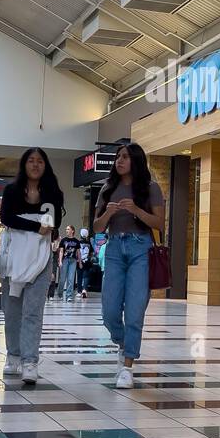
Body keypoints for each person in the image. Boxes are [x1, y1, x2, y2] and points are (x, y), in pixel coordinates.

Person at [93, 143, 165, 389]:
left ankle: (127, 366)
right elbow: (96, 227)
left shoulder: (149, 188)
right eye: (117, 157)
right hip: (113, 249)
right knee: (109, 312)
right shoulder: (107, 188)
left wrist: (136, 210)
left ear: (136, 160)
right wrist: (108, 215)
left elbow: (159, 223)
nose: (119, 161)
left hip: (140, 248)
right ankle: (123, 343)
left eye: (125, 157)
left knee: (134, 312)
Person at [0, 147, 64, 386]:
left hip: (41, 257)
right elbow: (6, 218)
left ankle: (30, 361)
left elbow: (53, 222)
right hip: (14, 258)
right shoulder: (12, 191)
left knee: (33, 311)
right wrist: (35, 226)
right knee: (12, 310)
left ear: (45, 165)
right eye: (31, 161)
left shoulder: (53, 193)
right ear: (24, 164)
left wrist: (30, 224)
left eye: (40, 161)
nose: (35, 165)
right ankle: (13, 354)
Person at [57, 225, 79, 302]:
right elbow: (61, 251)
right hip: (65, 260)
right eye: (66, 229)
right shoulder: (63, 240)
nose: (66, 230)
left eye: (68, 229)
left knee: (71, 279)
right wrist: (60, 261)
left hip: (73, 261)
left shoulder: (76, 241)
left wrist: (79, 261)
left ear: (72, 231)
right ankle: (59, 293)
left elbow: (78, 252)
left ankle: (69, 296)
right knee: (62, 279)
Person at [75, 227, 94, 298]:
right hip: (87, 262)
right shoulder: (89, 243)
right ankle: (84, 289)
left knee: (79, 276)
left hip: (79, 262)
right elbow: (91, 253)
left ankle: (79, 291)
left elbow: (76, 252)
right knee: (86, 276)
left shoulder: (78, 243)